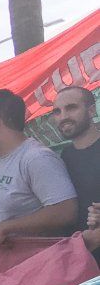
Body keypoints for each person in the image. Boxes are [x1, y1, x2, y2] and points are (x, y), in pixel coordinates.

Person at [0, 88, 77, 248]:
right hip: (11, 265)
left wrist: (6, 227)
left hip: (34, 266)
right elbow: (12, 191)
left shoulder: (37, 158)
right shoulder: (1, 159)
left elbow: (65, 210)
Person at [51, 85, 100, 251]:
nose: (63, 116)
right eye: (57, 112)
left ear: (91, 111)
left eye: (71, 108)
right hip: (83, 261)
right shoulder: (64, 157)